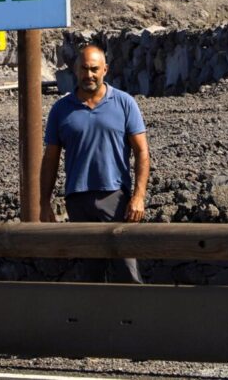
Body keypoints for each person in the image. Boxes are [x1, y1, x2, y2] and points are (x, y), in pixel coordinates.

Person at [40, 42, 150, 284]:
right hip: (77, 200)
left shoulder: (124, 103)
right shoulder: (61, 109)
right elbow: (50, 159)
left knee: (127, 268)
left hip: (115, 198)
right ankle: (95, 320)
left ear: (105, 70)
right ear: (76, 70)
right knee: (90, 273)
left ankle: (136, 319)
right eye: (84, 69)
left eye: (93, 69)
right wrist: (44, 203)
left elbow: (142, 152)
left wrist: (138, 196)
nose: (88, 75)